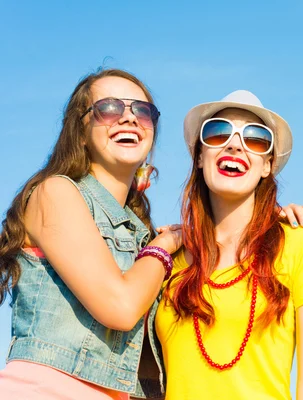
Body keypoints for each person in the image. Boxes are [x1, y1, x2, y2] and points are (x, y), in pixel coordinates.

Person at [0, 68, 182, 400]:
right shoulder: (54, 193)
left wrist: (276, 220)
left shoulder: (142, 234)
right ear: (81, 131)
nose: (129, 119)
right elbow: (121, 307)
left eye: (142, 111)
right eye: (110, 108)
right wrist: (167, 244)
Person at [145, 90, 303, 400]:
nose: (235, 145)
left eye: (256, 139)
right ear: (198, 156)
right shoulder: (168, 257)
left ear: (267, 166)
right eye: (218, 133)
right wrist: (161, 248)